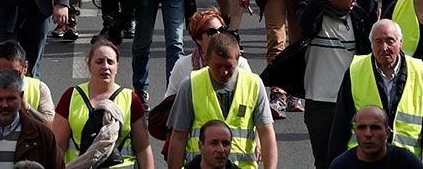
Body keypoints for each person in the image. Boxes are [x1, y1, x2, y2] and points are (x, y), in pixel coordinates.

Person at [331, 17, 423, 169]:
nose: (384, 47)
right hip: (363, 162)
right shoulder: (355, 71)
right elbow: (340, 126)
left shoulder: (419, 71)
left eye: (390, 41)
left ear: (401, 43)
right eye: (378, 42)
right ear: (371, 45)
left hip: (405, 163)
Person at [163, 31, 280, 169]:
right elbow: (178, 137)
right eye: (218, 66)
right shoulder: (190, 85)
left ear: (238, 59)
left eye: (229, 66)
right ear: (207, 60)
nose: (223, 72)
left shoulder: (253, 84)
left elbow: (266, 134)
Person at [50, 34, 154, 169]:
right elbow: (57, 146)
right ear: (89, 64)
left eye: (110, 62)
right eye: (99, 61)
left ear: (117, 66)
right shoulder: (71, 96)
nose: (105, 66)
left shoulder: (131, 99)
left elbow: (143, 149)